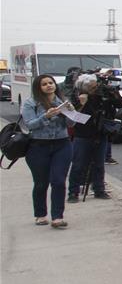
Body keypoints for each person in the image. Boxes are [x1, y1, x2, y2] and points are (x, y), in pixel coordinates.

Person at [21, 75, 74, 229]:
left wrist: (70, 112)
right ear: (38, 87)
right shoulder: (31, 103)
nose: (49, 86)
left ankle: (57, 217)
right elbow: (30, 125)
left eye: (51, 83)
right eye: (44, 84)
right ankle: (40, 214)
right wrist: (46, 116)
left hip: (62, 144)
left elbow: (72, 123)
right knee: (41, 182)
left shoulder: (62, 102)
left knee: (58, 181)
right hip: (38, 146)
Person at [66, 73, 122, 202]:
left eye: (95, 86)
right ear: (83, 88)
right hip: (83, 134)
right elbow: (71, 117)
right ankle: (73, 192)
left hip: (101, 133)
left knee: (99, 164)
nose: (95, 90)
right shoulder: (77, 96)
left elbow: (121, 104)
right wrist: (81, 103)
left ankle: (99, 189)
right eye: (91, 88)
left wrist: (114, 93)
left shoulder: (103, 95)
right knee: (78, 164)